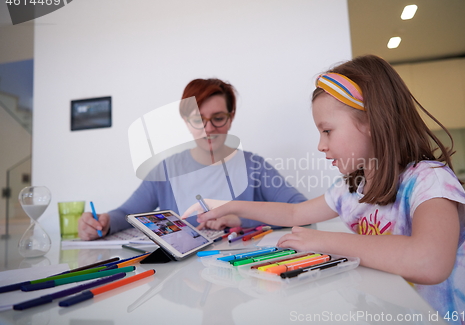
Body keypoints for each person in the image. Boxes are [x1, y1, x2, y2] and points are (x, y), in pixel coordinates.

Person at [187, 56, 465, 324]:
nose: (321, 145)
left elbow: (429, 262)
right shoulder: (353, 186)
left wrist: (325, 241)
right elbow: (294, 211)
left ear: (371, 121)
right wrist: (231, 206)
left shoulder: (429, 180)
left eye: (327, 130)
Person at [78, 78, 307, 240]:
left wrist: (241, 220)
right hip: (183, 275)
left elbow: (301, 211)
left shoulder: (253, 166)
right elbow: (127, 214)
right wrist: (103, 222)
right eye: (198, 119)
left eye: (218, 118)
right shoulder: (166, 170)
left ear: (231, 117)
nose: (209, 128)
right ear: (186, 121)